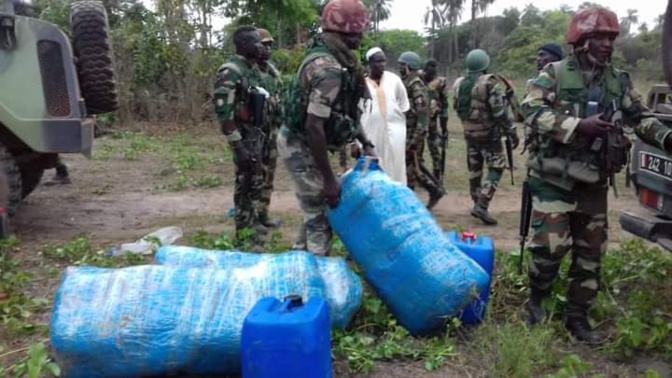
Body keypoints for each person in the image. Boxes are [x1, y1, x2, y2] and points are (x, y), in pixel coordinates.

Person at [521, 6, 672, 345]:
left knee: (590, 255)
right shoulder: (555, 73)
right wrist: (577, 126)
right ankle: (537, 305)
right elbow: (530, 108)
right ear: (582, 40)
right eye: (600, 37)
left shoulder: (618, 80)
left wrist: (665, 136)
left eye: (611, 38)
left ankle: (577, 317)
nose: (607, 44)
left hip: (593, 182)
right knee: (548, 250)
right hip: (554, 178)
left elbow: (641, 116)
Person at [277, 0, 376, 256]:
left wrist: (365, 142)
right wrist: (330, 180)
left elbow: (345, 111)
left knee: (314, 208)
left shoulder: (338, 60)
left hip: (306, 138)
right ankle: (314, 278)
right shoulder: (328, 69)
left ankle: (299, 260)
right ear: (344, 33)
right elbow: (314, 126)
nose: (361, 37)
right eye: (358, 32)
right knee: (321, 213)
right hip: (300, 143)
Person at [212, 26, 266, 245]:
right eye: (256, 42)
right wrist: (238, 146)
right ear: (243, 45)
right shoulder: (230, 71)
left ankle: (251, 228)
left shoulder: (250, 69)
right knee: (245, 183)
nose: (261, 46)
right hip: (242, 137)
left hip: (253, 133)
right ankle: (243, 236)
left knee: (256, 181)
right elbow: (224, 112)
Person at [452, 49, 519, 225]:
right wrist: (511, 131)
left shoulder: (459, 84)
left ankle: (477, 203)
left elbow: (457, 108)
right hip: (490, 136)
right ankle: (482, 205)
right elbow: (499, 113)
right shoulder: (490, 83)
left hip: (470, 134)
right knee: (496, 168)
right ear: (485, 65)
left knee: (475, 171)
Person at [397, 51, 445, 209]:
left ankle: (413, 200)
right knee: (411, 166)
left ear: (408, 67)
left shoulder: (416, 85)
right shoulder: (407, 82)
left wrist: (416, 139)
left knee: (409, 167)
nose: (399, 68)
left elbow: (423, 113)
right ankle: (433, 190)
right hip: (406, 131)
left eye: (402, 65)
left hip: (413, 133)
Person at [357, 47, 409, 185]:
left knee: (397, 167)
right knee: (374, 168)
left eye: (384, 61)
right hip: (371, 135)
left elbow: (404, 105)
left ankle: (398, 198)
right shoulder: (361, 84)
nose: (382, 64)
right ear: (369, 63)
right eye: (378, 61)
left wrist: (400, 127)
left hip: (395, 134)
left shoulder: (394, 80)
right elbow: (356, 111)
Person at [255, 28, 282, 229]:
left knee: (269, 174)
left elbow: (280, 99)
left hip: (272, 131)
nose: (268, 48)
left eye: (270, 44)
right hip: (255, 133)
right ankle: (251, 216)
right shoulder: (249, 71)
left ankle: (263, 214)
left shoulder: (272, 71)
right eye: (264, 44)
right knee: (254, 175)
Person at [422, 59, 450, 182]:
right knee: (417, 148)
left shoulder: (439, 84)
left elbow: (444, 106)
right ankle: (419, 172)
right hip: (418, 119)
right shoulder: (417, 80)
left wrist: (444, 127)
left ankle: (436, 174)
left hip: (431, 120)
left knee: (433, 147)